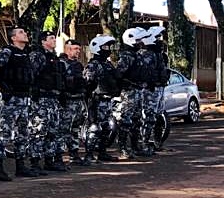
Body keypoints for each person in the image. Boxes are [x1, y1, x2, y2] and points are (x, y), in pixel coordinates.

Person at [0, 27, 34, 180]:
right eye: (21, 32)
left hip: (25, 98)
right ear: (13, 38)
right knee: (4, 134)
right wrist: (4, 86)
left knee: (23, 134)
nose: (25, 33)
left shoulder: (27, 54)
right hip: (11, 100)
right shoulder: (7, 52)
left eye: (24, 32)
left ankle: (21, 166)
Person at [29, 30, 66, 173]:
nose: (54, 40)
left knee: (53, 131)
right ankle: (35, 162)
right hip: (41, 99)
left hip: (54, 99)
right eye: (51, 38)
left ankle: (49, 160)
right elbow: (32, 75)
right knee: (39, 130)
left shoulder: (54, 57)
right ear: (43, 41)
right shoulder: (37, 55)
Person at [115, 27, 154, 160]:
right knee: (125, 120)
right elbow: (119, 74)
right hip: (129, 91)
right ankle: (122, 148)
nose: (141, 42)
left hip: (138, 90)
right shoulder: (126, 56)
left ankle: (135, 146)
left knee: (137, 120)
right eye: (138, 40)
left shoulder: (137, 55)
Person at [83, 34, 120, 163]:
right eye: (104, 47)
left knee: (107, 127)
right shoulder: (93, 65)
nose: (108, 49)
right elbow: (87, 83)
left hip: (108, 100)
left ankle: (102, 152)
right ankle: (88, 154)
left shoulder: (107, 65)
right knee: (94, 128)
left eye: (108, 46)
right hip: (96, 101)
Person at [59, 39, 89, 166]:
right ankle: (59, 156)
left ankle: (74, 153)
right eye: (75, 49)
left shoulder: (78, 65)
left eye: (79, 49)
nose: (78, 51)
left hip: (78, 100)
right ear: (68, 49)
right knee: (64, 129)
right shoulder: (61, 63)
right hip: (67, 101)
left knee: (75, 129)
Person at [143, 26, 170, 151]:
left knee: (159, 116)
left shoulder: (160, 55)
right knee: (150, 117)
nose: (160, 41)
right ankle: (145, 143)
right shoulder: (147, 55)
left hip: (160, 88)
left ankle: (157, 143)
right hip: (151, 89)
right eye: (158, 38)